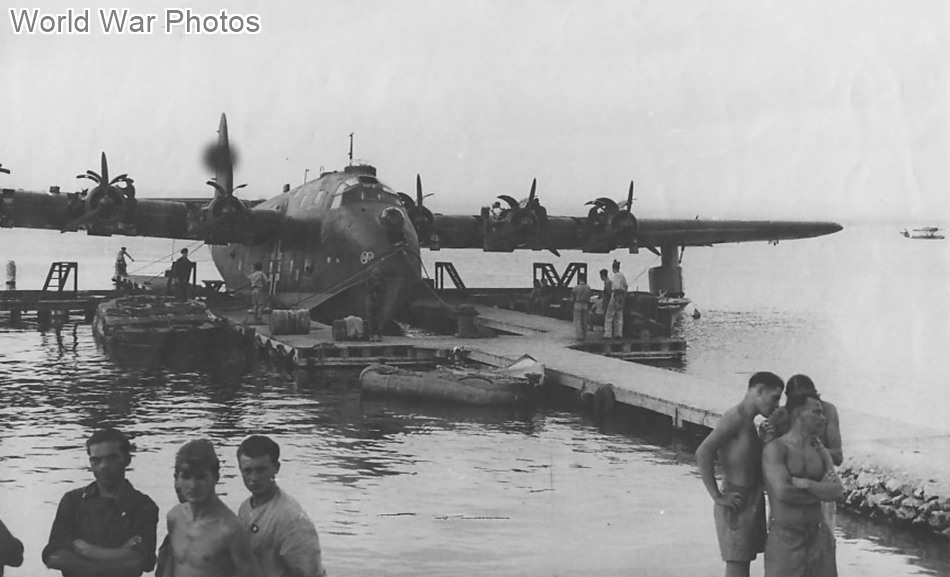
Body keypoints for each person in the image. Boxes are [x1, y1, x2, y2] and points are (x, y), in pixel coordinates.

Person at [695, 372, 785, 577]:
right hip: (736, 501)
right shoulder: (734, 417)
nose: (777, 405)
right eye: (775, 398)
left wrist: (765, 440)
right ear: (759, 391)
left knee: (744, 563)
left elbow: (748, 462)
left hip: (751, 499)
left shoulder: (749, 422)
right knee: (737, 566)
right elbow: (703, 452)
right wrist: (717, 496)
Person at [43, 428, 159, 577]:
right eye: (96, 460)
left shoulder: (143, 506)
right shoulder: (72, 501)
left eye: (111, 458)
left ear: (127, 460)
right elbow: (54, 558)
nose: (103, 465)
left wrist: (86, 551)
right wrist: (117, 559)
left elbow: (139, 561)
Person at [762, 392, 843, 577]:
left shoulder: (819, 451)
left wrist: (807, 484)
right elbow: (784, 492)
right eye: (816, 412)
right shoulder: (776, 449)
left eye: (822, 412)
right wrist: (822, 491)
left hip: (818, 536)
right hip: (786, 538)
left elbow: (838, 492)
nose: (823, 418)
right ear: (799, 413)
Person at [163, 439, 261, 577]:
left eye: (201, 477)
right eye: (186, 477)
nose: (193, 485)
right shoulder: (174, 517)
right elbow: (171, 565)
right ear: (177, 479)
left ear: (216, 477)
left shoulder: (230, 529)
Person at [236, 435, 326, 577]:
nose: (254, 478)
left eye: (261, 470)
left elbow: (311, 572)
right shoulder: (245, 508)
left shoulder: (292, 519)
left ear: (276, 468)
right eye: (247, 471)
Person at [765, 374, 842, 530]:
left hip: (817, 481)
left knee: (824, 538)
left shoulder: (828, 411)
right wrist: (767, 438)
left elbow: (838, 457)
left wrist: (817, 450)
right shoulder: (781, 415)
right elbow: (769, 459)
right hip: (794, 493)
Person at [605, 260, 628, 338]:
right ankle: (618, 334)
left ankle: (608, 334)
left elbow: (615, 288)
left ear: (613, 268)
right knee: (619, 316)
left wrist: (615, 297)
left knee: (609, 316)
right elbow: (626, 286)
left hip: (615, 295)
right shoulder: (623, 276)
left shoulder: (615, 276)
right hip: (622, 296)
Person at [570, 274, 591, 341]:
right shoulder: (588, 287)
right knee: (584, 321)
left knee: (578, 321)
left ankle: (579, 336)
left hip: (578, 304)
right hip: (585, 304)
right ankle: (585, 335)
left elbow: (572, 298)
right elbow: (589, 297)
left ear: (579, 279)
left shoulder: (576, 287)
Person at [365, 269, 384, 340]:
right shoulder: (379, 281)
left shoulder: (369, 280)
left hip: (372, 299)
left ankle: (373, 334)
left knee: (372, 317)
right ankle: (377, 334)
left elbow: (367, 289)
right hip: (375, 299)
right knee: (376, 317)